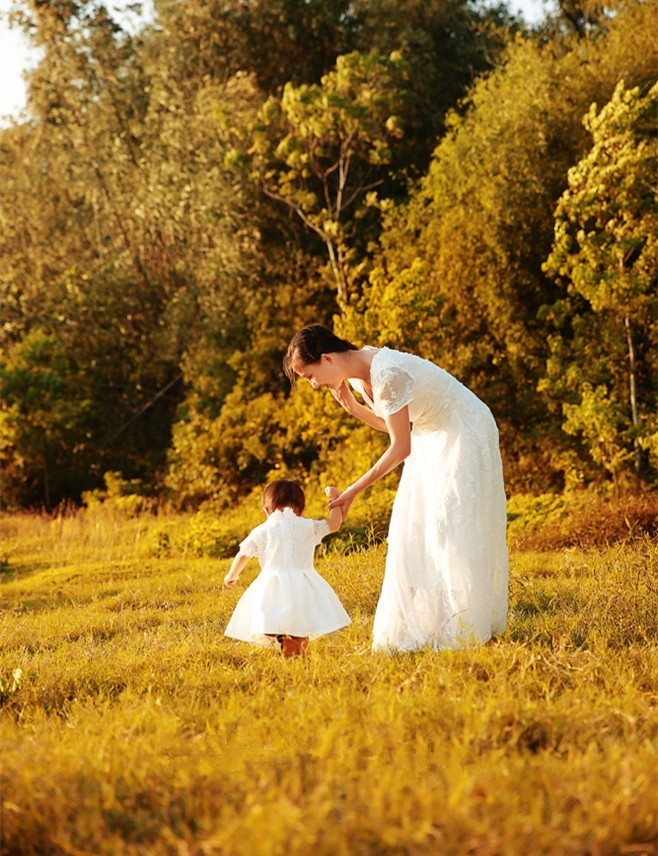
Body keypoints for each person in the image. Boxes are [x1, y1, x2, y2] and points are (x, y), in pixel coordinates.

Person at [283, 324, 508, 652]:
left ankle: (466, 624)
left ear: (327, 359)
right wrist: (353, 408)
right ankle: (433, 621)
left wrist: (353, 490)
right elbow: (397, 427)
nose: (315, 386)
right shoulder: (362, 378)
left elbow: (401, 446)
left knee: (451, 523)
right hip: (430, 433)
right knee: (417, 524)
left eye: (310, 377)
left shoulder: (385, 372)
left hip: (463, 426)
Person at [224, 479, 350, 657]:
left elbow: (243, 554)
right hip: (303, 586)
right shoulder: (309, 526)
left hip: (271, 587)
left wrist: (232, 574)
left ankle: (285, 645)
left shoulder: (261, 530)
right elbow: (335, 523)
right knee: (299, 627)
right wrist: (335, 499)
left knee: (272, 621)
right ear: (303, 509)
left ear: (266, 510)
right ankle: (294, 652)